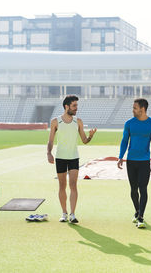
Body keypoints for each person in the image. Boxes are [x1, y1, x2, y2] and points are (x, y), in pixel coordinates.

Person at [47, 95, 97, 223]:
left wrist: (90, 136)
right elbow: (51, 140)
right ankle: (64, 213)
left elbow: (84, 140)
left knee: (73, 185)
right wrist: (49, 153)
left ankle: (73, 214)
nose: (76, 108)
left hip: (74, 157)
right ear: (66, 106)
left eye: (77, 106)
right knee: (62, 186)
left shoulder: (78, 121)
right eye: (74, 106)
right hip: (60, 157)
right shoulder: (55, 121)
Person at [117, 98, 151, 228]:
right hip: (131, 161)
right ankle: (137, 211)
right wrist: (120, 157)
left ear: (142, 109)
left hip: (144, 162)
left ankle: (141, 217)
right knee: (133, 189)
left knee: (143, 188)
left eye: (135, 108)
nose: (133, 110)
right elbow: (124, 141)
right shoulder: (129, 123)